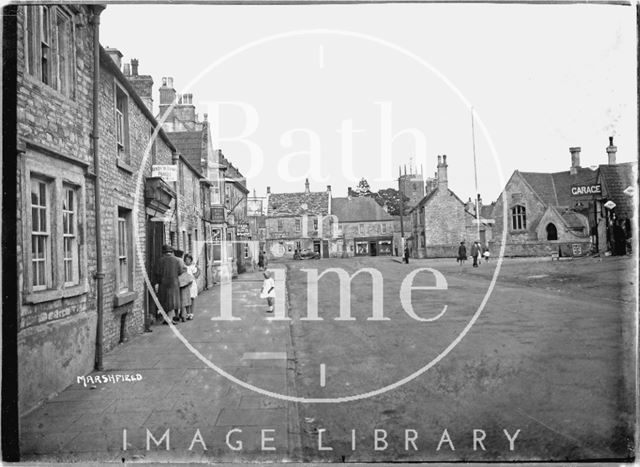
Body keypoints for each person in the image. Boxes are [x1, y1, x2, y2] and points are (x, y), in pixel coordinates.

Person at [153, 244, 185, 325]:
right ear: (171, 252)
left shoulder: (160, 261)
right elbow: (180, 271)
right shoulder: (176, 260)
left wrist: (158, 281)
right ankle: (170, 319)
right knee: (172, 301)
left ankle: (166, 318)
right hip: (174, 283)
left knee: (165, 301)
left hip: (163, 283)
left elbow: (157, 273)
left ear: (163, 252)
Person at [174, 249, 192, 322]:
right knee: (184, 300)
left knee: (177, 300)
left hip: (177, 283)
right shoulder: (182, 262)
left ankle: (177, 315)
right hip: (184, 283)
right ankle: (183, 316)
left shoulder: (175, 261)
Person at [184, 253, 199, 320]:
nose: (187, 261)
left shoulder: (193, 267)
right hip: (185, 284)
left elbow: (196, 276)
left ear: (191, 260)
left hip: (192, 285)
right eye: (186, 259)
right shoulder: (183, 267)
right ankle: (188, 313)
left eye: (189, 259)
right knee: (186, 299)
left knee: (192, 299)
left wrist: (198, 269)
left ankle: (191, 314)